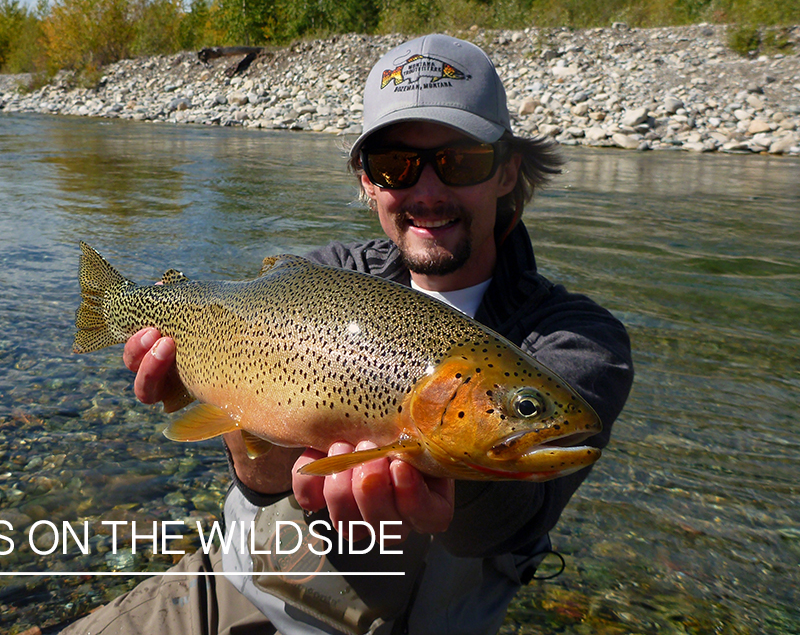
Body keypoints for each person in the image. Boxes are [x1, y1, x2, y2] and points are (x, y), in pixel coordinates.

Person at [61, 34, 633, 635]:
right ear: (367, 181)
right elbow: (258, 484)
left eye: (460, 161)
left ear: (507, 170)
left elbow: (515, 522)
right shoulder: (325, 276)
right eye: (396, 166)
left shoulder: (578, 339)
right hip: (237, 596)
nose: (428, 192)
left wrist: (448, 485)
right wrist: (207, 392)